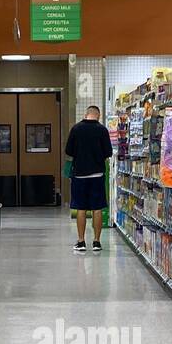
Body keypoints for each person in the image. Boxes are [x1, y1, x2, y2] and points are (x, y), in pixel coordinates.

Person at [64, 104, 113, 253]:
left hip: (79, 175)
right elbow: (108, 152)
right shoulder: (102, 130)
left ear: (86, 114)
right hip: (97, 175)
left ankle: (81, 242)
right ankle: (97, 242)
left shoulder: (76, 129)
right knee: (97, 208)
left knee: (81, 208)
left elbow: (68, 150)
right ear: (98, 115)